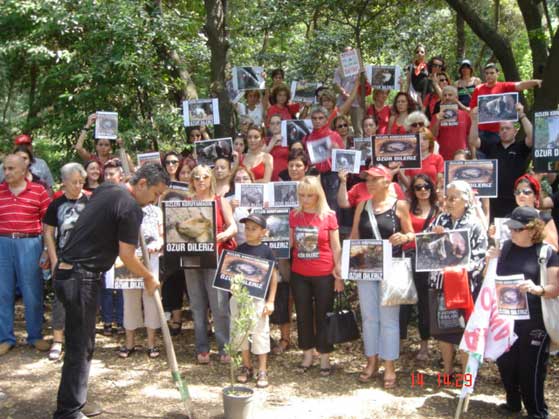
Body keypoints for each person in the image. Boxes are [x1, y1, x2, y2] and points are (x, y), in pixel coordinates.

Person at [52, 163, 169, 419]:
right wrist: (149, 276)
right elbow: (128, 255)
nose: (155, 201)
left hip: (67, 273)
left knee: (80, 344)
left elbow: (103, 233)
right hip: (80, 277)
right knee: (80, 346)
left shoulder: (108, 189)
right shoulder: (129, 207)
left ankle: (74, 402)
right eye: (156, 193)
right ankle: (68, 411)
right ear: (141, 184)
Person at [488, 206, 559, 419]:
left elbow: (555, 288)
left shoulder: (546, 252)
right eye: (511, 228)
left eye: (517, 229)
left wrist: (538, 289)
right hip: (506, 318)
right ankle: (513, 402)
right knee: (506, 363)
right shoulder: (507, 247)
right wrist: (490, 260)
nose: (512, 232)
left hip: (535, 320)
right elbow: (490, 280)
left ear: (532, 229)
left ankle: (537, 411)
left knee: (531, 368)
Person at [349, 165, 414, 388]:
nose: (370, 183)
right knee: (369, 317)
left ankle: (389, 365)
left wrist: (403, 237)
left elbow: (412, 234)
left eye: (375, 179)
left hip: (391, 268)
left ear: (387, 181)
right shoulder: (362, 206)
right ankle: (371, 360)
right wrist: (348, 262)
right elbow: (355, 236)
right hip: (366, 268)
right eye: (368, 179)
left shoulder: (400, 206)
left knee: (389, 320)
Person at [428, 180, 488, 377]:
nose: (449, 201)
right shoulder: (439, 220)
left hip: (464, 287)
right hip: (440, 284)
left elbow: (480, 258)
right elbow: (426, 249)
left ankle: (465, 375)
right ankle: (446, 371)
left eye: (453, 198)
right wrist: (434, 237)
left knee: (464, 330)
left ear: (467, 199)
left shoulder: (475, 225)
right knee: (442, 330)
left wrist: (459, 269)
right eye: (447, 197)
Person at [289, 176, 343, 376]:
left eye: (310, 195)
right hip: (299, 273)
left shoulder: (329, 215)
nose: (306, 199)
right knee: (302, 315)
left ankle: (325, 356)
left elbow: (336, 247)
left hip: (324, 273)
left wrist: (339, 274)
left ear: (318, 194)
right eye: (302, 195)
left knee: (324, 315)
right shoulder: (294, 215)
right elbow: (290, 244)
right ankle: (307, 354)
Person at [184, 165, 237, 364]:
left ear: (210, 180)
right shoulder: (186, 203)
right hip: (191, 260)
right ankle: (202, 348)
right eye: (196, 177)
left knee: (220, 306)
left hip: (215, 258)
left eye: (205, 177)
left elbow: (232, 226)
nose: (200, 180)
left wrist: (225, 233)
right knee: (197, 306)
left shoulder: (220, 201)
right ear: (192, 181)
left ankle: (225, 348)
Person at [0, 155, 51, 356]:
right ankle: (5, 338)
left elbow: (48, 223)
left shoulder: (38, 191)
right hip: (3, 243)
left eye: (11, 168)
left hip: (31, 243)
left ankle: (35, 335)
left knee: (33, 292)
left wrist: (47, 249)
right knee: (3, 292)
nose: (7, 173)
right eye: (5, 169)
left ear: (23, 170)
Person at [43, 163, 89, 361]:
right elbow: (48, 232)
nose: (78, 186)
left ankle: (80, 340)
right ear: (64, 182)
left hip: (85, 258)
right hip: (63, 257)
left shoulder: (89, 202)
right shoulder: (56, 204)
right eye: (74, 182)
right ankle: (58, 340)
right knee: (60, 299)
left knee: (84, 299)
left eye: (81, 182)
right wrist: (54, 260)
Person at [232, 214, 278, 388]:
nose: (249, 231)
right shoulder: (238, 249)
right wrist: (232, 287)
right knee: (241, 333)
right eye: (247, 228)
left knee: (260, 333)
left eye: (254, 228)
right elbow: (230, 274)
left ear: (263, 232)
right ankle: (246, 366)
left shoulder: (266, 251)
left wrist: (270, 300)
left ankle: (262, 369)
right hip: (239, 298)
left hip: (259, 299)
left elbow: (274, 276)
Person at [470, 102, 533, 219]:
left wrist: (522, 115)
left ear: (515, 131)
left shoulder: (521, 147)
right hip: (495, 200)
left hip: (516, 198)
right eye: (502, 129)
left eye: (508, 128)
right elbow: (473, 141)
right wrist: (474, 120)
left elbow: (532, 137)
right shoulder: (491, 146)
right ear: (498, 132)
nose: (504, 131)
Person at [400, 174, 439, 361]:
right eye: (418, 187)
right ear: (413, 191)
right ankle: (399, 342)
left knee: (425, 303)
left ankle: (424, 345)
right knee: (403, 302)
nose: (423, 190)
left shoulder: (439, 211)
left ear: (432, 188)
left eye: (426, 186)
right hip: (407, 258)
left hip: (428, 260)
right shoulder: (407, 208)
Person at [118, 204, 163, 359]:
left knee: (152, 300)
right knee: (129, 301)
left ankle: (151, 343)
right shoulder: (123, 209)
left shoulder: (156, 211)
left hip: (152, 262)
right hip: (129, 262)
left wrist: (159, 243)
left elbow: (163, 234)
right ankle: (129, 342)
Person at [469, 62, 541, 154]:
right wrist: (475, 112)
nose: (489, 75)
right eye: (487, 73)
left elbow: (520, 85)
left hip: (500, 132)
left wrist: (535, 82)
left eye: (492, 73)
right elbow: (472, 109)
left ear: (497, 74)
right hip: (482, 132)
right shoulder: (478, 89)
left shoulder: (503, 86)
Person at [303, 106, 345, 212]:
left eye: (320, 118)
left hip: (332, 175)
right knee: (315, 204)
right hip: (315, 176)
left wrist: (337, 150)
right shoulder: (307, 138)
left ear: (326, 119)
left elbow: (344, 159)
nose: (317, 121)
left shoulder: (334, 136)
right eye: (314, 118)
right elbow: (305, 160)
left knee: (333, 206)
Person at [511, 174, 559, 250]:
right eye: (518, 192)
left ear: (535, 196)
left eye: (526, 192)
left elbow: (554, 247)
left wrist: (535, 238)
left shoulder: (544, 217)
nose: (521, 195)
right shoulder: (510, 217)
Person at [430, 85, 472, 161]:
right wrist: (438, 120)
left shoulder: (465, 115)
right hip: (443, 157)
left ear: (456, 98)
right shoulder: (436, 116)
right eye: (445, 95)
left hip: (461, 157)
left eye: (450, 95)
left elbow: (469, 137)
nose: (447, 97)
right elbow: (432, 136)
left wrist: (472, 154)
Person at [333, 47, 365, 137]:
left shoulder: (360, 69)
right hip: (343, 102)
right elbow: (336, 84)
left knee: (358, 128)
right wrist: (343, 92)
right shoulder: (338, 70)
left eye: (350, 53)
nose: (348, 55)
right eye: (346, 53)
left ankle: (359, 149)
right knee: (339, 125)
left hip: (357, 102)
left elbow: (365, 84)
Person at [264, 114, 288, 181]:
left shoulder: (288, 140)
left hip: (285, 176)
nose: (275, 126)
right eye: (272, 123)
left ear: (282, 125)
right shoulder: (265, 141)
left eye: (278, 123)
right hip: (269, 176)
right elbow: (260, 157)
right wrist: (272, 142)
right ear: (269, 126)